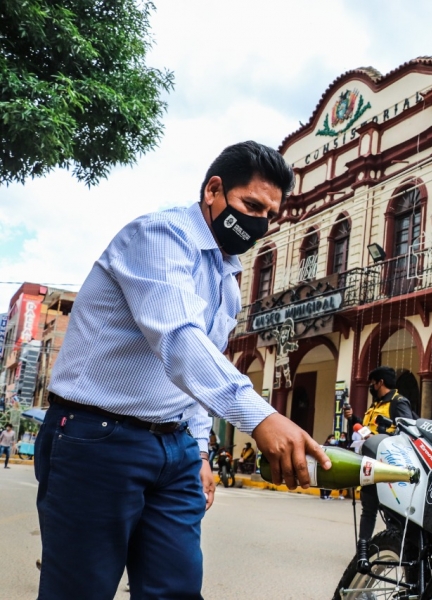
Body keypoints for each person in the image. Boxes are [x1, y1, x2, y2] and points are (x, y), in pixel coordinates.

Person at [37, 141, 330, 599]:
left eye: (269, 214)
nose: (259, 223)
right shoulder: (157, 237)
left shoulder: (226, 281)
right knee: (79, 590)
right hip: (97, 438)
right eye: (251, 205)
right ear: (214, 190)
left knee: (174, 589)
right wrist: (260, 416)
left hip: (173, 451)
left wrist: (197, 452)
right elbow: (178, 339)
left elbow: (195, 379)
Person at [357, 367, 417, 564]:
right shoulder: (375, 406)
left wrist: (384, 436)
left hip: (389, 466)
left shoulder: (398, 403)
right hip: (369, 464)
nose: (371, 387)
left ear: (379, 382)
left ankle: (397, 550)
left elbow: (409, 433)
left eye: (372, 383)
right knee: (368, 510)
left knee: (392, 514)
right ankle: (363, 552)